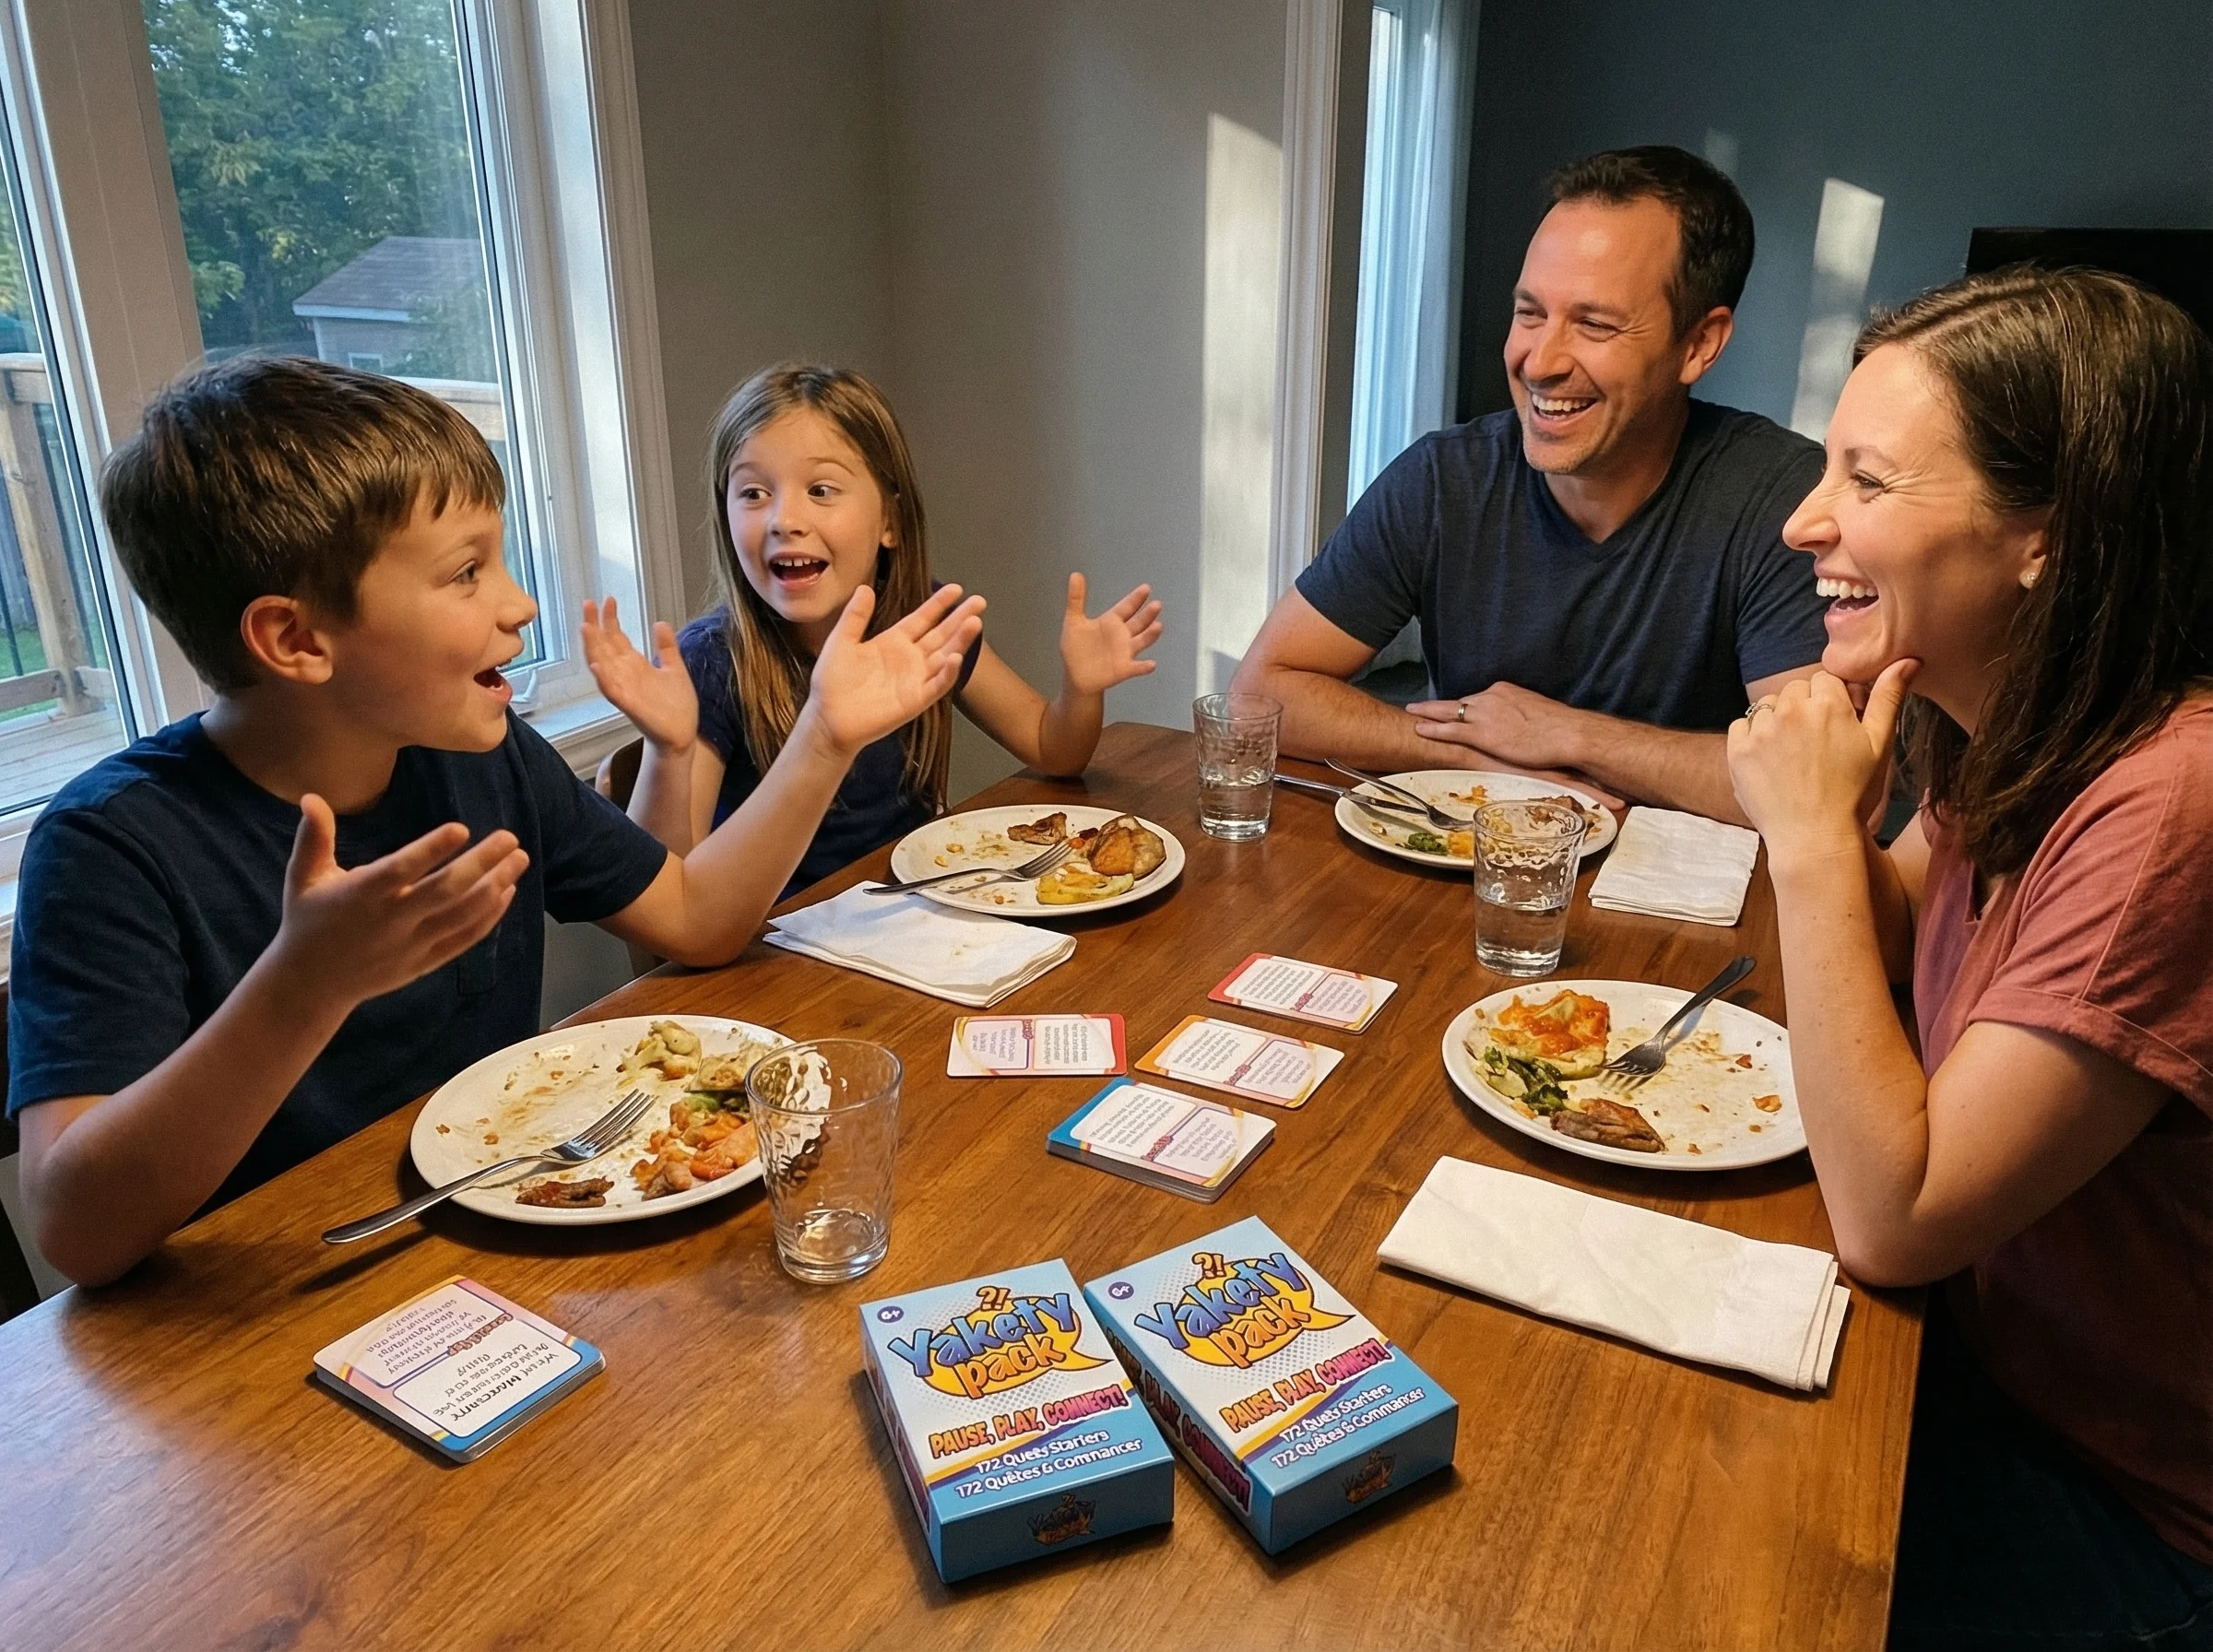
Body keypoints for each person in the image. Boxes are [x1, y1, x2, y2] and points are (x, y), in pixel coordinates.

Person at [5, 356, 984, 1287]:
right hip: (258, 1330)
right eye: (466, 571)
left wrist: (823, 737)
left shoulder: (486, 754)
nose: (519, 603)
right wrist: (304, 986)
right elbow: (76, 1228)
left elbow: (699, 918)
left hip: (493, 1258)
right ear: (296, 637)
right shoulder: (113, 847)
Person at [1725, 268, 2213, 1646]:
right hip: (1983, 1369)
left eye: (1867, 481)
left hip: (2130, 1510)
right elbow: (1885, 937)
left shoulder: (2170, 804)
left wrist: (1814, 839)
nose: (1802, 520)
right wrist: (1832, 836)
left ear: (2041, 542)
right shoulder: (2015, 724)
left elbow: (1897, 1216)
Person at [1234, 145, 1828, 821]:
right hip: (1478, 877)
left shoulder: (1786, 501)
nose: (1539, 361)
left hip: (1693, 912)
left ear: (1699, 344)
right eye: (1529, 313)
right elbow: (1261, 695)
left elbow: (1825, 791)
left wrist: (1569, 733)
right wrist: (1470, 756)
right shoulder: (1442, 479)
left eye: (1595, 324)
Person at [583, 364, 1163, 889]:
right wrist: (667, 749)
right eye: (754, 493)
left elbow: (1053, 748)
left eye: (820, 490)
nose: (785, 519)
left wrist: (1082, 691)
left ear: (889, 518)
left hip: (917, 916)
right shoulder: (713, 663)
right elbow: (667, 898)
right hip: (775, 957)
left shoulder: (922, 622)